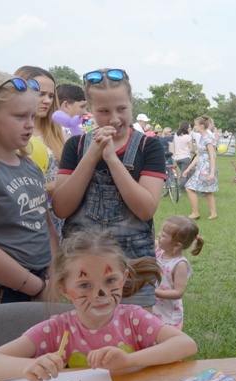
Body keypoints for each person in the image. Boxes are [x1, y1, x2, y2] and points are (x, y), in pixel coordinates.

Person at [0, 230, 198, 381]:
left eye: (110, 281)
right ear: (64, 289)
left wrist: (128, 361)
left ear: (123, 279)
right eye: (84, 285)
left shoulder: (133, 318)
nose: (99, 294)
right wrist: (24, 368)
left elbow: (186, 345)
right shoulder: (55, 330)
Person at [53, 68, 166, 308]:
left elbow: (146, 209)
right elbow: (61, 208)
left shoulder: (149, 147)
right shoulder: (76, 146)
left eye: (122, 109)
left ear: (131, 104)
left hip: (133, 268)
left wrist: (113, 160)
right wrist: (91, 155)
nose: (114, 119)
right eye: (103, 111)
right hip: (80, 268)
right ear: (90, 111)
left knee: (133, 337)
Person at [0, 71, 56, 306]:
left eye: (33, 116)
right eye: (20, 116)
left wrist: (53, 275)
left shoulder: (30, 165)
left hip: (41, 283)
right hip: (0, 290)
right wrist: (36, 287)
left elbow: (46, 225)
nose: (30, 125)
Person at [14, 66, 67, 238]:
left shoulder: (61, 137)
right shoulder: (8, 137)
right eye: (40, 93)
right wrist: (46, 189)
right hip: (20, 220)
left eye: (51, 95)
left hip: (58, 221)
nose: (47, 100)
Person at [154, 216, 204, 330]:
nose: (159, 235)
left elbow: (178, 292)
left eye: (163, 235)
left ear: (177, 245)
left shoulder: (179, 265)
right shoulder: (159, 249)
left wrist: (154, 292)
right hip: (155, 307)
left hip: (168, 313)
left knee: (166, 341)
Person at [183, 114, 218, 220]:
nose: (194, 127)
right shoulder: (202, 138)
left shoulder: (209, 139)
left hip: (206, 168)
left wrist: (211, 172)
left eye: (196, 125)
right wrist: (188, 169)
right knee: (208, 191)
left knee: (189, 187)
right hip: (201, 167)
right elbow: (198, 155)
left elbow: (212, 156)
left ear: (202, 126)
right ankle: (213, 213)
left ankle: (195, 212)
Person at [173, 121, 194, 190]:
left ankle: (186, 187)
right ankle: (181, 189)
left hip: (177, 157)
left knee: (184, 172)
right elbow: (191, 149)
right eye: (189, 127)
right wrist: (195, 152)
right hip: (185, 157)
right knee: (184, 174)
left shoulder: (176, 135)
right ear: (186, 128)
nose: (190, 128)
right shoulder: (188, 137)